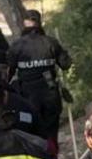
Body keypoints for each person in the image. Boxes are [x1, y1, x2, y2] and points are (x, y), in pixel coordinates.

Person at [8, 8, 72, 138]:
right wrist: (64, 53)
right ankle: (52, 152)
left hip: (27, 97)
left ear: (24, 23)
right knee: (51, 131)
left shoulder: (16, 46)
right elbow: (66, 65)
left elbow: (8, 72)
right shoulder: (51, 42)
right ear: (39, 22)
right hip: (51, 95)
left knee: (32, 131)